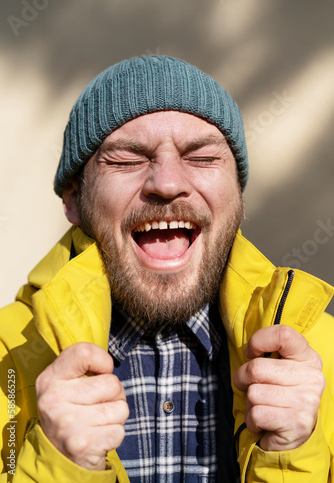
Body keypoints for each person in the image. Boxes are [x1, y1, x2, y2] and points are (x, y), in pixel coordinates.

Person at [0, 55, 333, 483]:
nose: (168, 182)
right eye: (126, 159)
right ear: (73, 199)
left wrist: (292, 458)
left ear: (237, 196)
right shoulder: (6, 358)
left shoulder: (323, 356)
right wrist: (58, 466)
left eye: (202, 157)